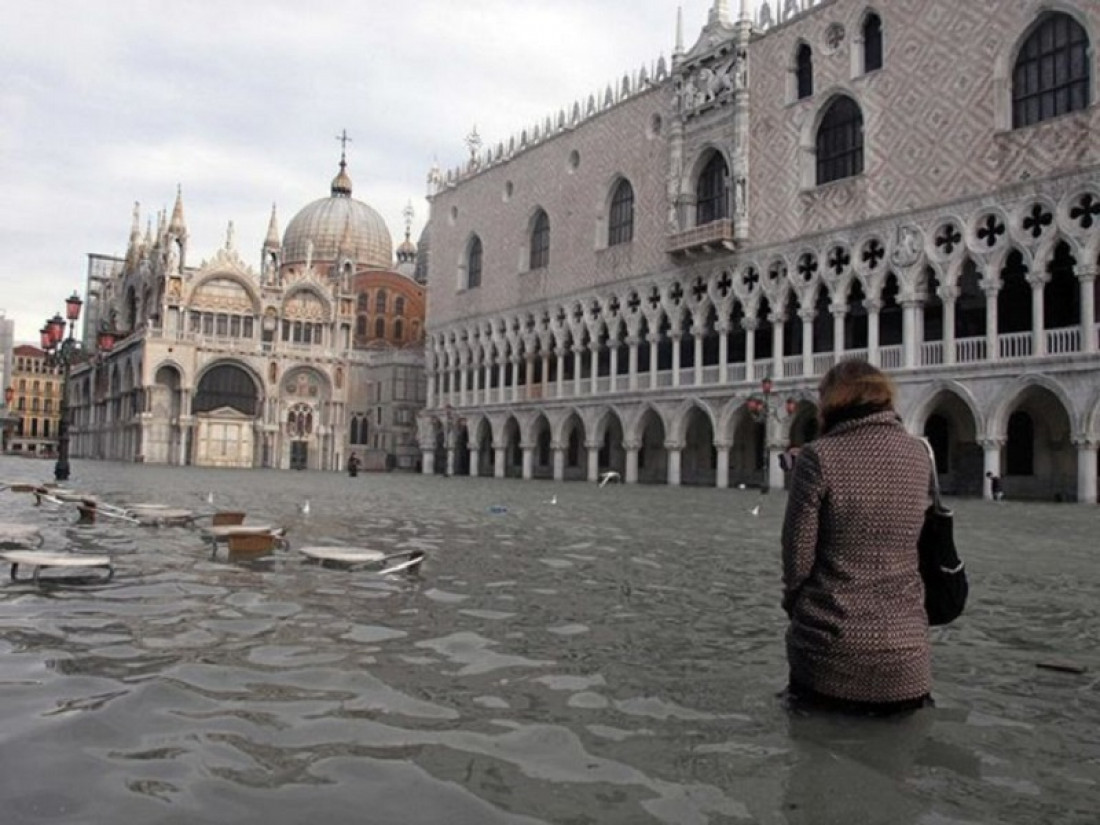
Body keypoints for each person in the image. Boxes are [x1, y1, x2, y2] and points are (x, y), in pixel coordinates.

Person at [781, 361, 933, 715]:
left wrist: (798, 611)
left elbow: (797, 558)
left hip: (829, 655)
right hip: (908, 659)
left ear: (831, 401)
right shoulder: (920, 455)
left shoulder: (819, 457)